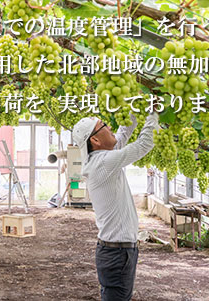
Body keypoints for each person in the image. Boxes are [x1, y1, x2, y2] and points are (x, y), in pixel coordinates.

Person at [72, 112, 159, 301]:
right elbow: (144, 144)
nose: (110, 127)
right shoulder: (103, 163)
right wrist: (153, 112)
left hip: (117, 252)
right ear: (95, 140)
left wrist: (135, 110)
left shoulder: (100, 158)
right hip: (117, 254)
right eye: (104, 126)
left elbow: (122, 135)